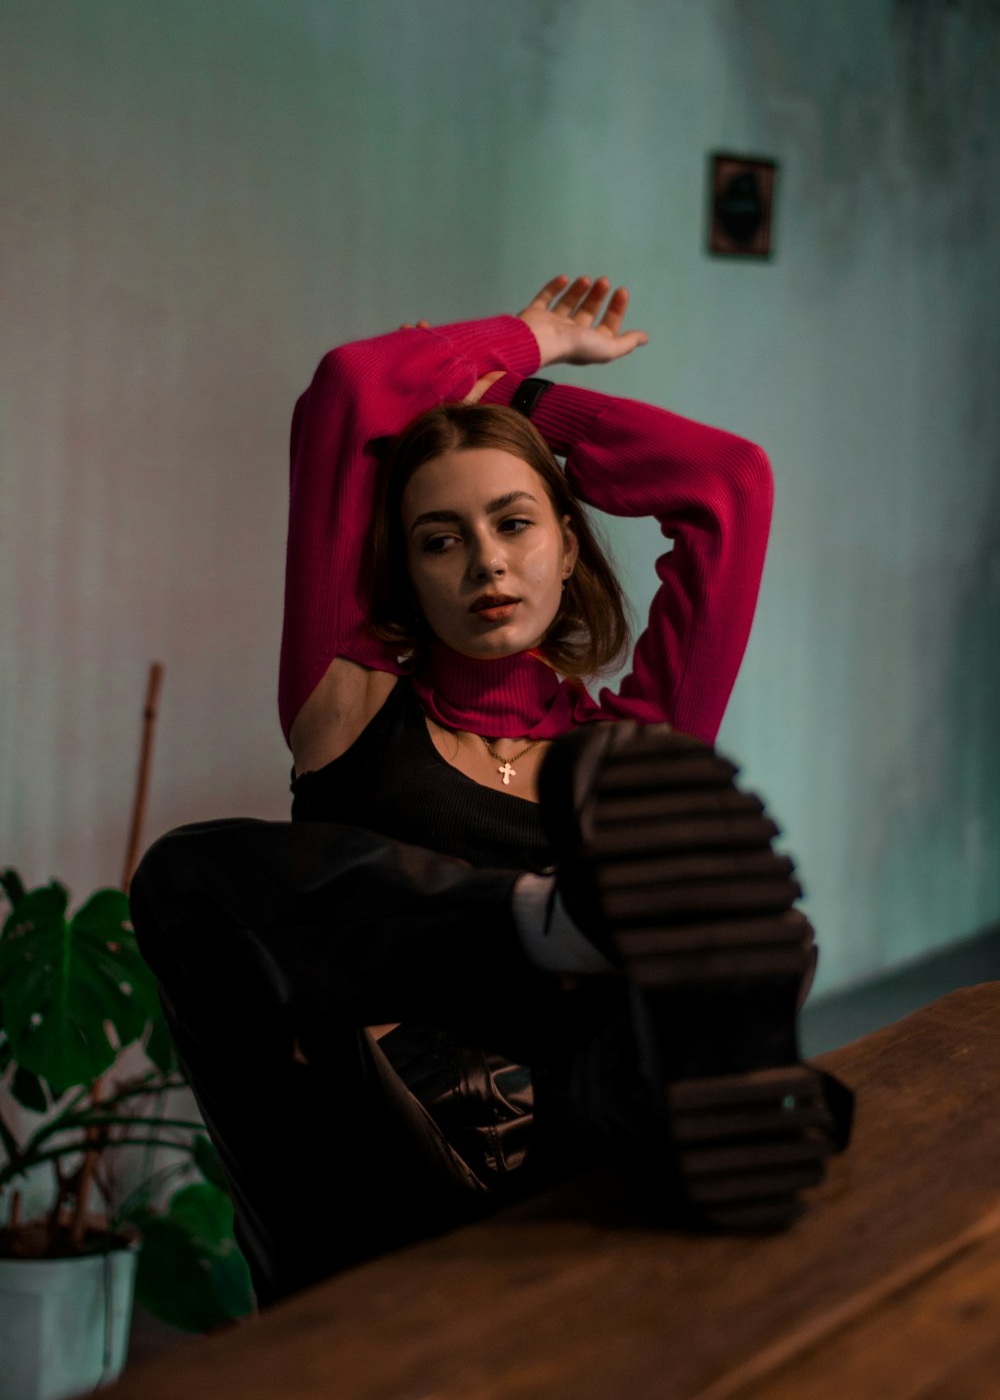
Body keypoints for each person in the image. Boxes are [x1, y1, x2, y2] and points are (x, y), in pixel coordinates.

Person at [129, 273, 852, 1313]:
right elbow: (349, 388)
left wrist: (524, 407)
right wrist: (526, 342)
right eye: (441, 539)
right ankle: (552, 937)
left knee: (642, 942)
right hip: (361, 1163)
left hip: (564, 1156)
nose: (485, 563)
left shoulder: (616, 755)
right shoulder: (348, 705)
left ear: (566, 537)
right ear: (406, 570)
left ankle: (674, 1067)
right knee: (190, 877)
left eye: (514, 523)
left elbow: (727, 485)